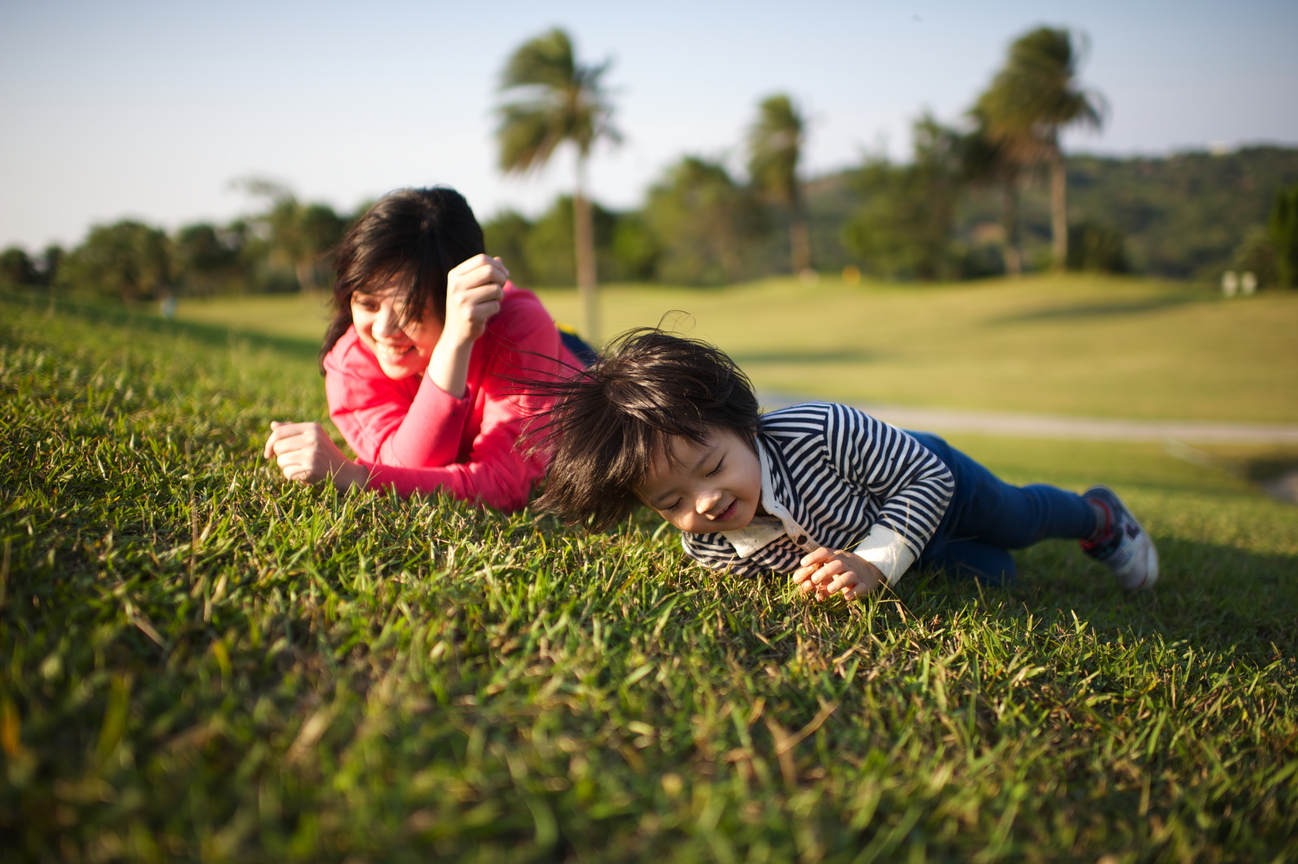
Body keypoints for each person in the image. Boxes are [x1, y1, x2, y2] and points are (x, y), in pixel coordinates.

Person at [527, 329, 1159, 599]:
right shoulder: (713, 548)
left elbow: (926, 481)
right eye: (669, 503)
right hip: (882, 543)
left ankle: (1098, 517)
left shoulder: (819, 430)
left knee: (1017, 518)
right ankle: (942, 557)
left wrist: (875, 562)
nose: (704, 502)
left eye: (713, 466)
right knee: (996, 580)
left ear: (741, 422)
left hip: (926, 480)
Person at [262, 187, 585, 513]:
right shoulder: (351, 363)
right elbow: (407, 466)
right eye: (368, 303)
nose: (383, 330)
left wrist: (356, 477)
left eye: (411, 310)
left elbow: (506, 485)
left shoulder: (519, 329)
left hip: (574, 366)